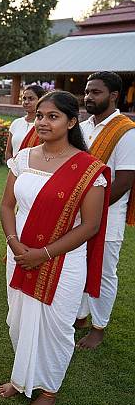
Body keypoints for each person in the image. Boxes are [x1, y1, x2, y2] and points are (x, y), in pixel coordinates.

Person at [0, 91, 110, 405]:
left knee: (55, 326)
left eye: (53, 116)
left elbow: (89, 226)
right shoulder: (23, 157)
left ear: (71, 122)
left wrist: (43, 253)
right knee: (18, 319)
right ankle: (21, 380)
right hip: (19, 253)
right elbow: (6, 205)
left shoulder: (89, 170)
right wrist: (14, 243)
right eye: (40, 116)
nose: (43, 122)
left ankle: (48, 391)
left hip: (62, 261)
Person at [75, 71, 135, 349]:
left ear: (113, 96)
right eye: (87, 91)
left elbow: (123, 181)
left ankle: (99, 328)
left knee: (103, 271)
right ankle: (81, 316)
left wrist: (90, 209)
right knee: (79, 265)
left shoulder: (126, 131)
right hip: (78, 214)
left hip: (108, 216)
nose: (88, 97)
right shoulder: (84, 126)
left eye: (95, 92)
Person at [4, 85, 45, 162]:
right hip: (15, 170)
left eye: (31, 99)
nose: (26, 102)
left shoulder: (44, 125)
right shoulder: (16, 123)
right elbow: (8, 152)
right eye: (24, 99)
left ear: (41, 100)